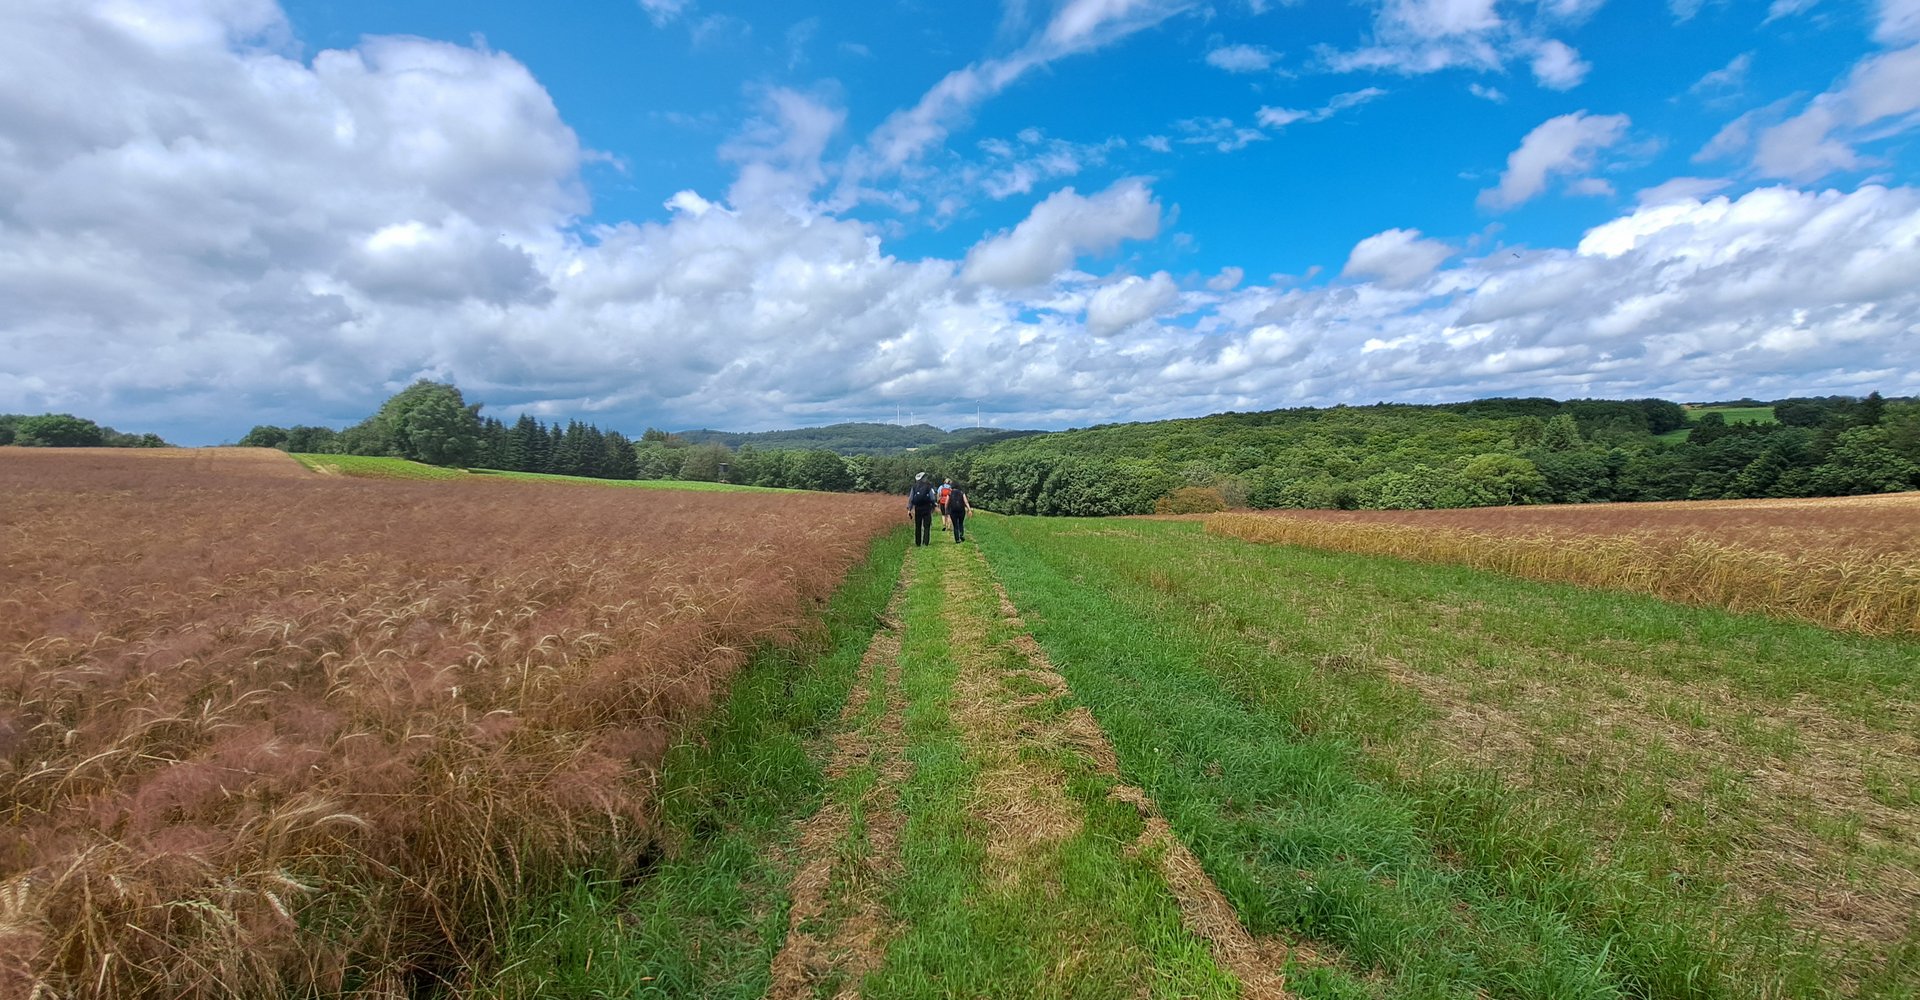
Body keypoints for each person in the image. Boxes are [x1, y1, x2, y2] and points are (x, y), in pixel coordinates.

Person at [907, 472, 937, 546]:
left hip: (918, 508)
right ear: (923, 478)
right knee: (926, 526)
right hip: (927, 508)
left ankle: (918, 542)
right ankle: (925, 542)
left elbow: (911, 498)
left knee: (918, 525)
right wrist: (933, 505)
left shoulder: (914, 487)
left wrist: (909, 509)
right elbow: (932, 498)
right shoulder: (928, 486)